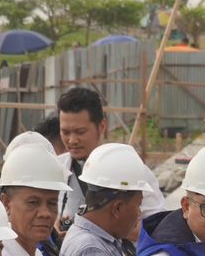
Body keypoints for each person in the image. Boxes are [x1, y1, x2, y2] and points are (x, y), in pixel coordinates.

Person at [56, 87, 163, 227]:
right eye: (65, 132)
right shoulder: (56, 168)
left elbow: (158, 227)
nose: (72, 140)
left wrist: (98, 225)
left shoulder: (132, 171)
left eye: (80, 132)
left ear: (102, 126)